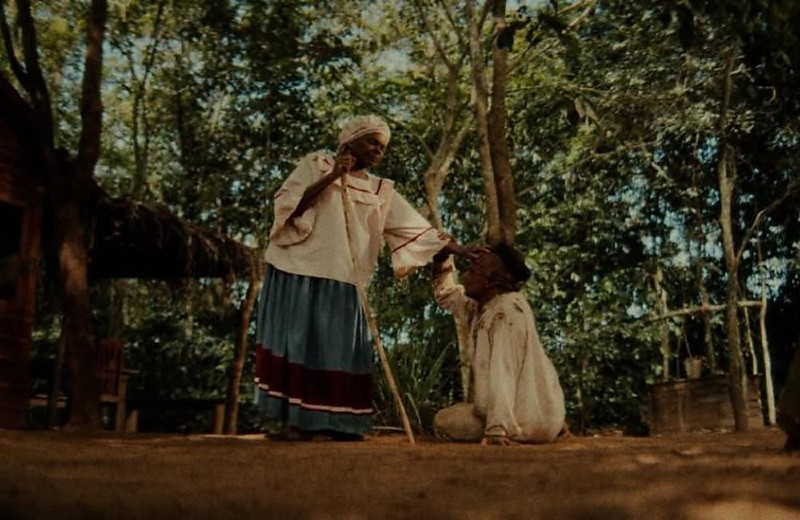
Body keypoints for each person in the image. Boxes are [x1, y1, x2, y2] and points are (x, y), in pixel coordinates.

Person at [255, 114, 466, 441]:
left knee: (335, 350)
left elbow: (414, 229)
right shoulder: (316, 165)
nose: (379, 151)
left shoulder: (380, 190)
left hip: (344, 277)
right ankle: (294, 424)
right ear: (349, 141)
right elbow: (287, 206)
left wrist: (461, 250)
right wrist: (333, 176)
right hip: (300, 269)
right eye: (372, 143)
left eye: (383, 147)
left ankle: (339, 423)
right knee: (299, 345)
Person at [432, 244, 566, 445]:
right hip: (535, 417)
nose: (466, 276)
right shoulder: (484, 305)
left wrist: (497, 429)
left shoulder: (505, 311)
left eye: (473, 272)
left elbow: (503, 370)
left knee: (443, 422)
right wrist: (442, 258)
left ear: (491, 281)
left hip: (519, 421)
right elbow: (447, 294)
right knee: (456, 414)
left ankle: (514, 428)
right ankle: (550, 423)